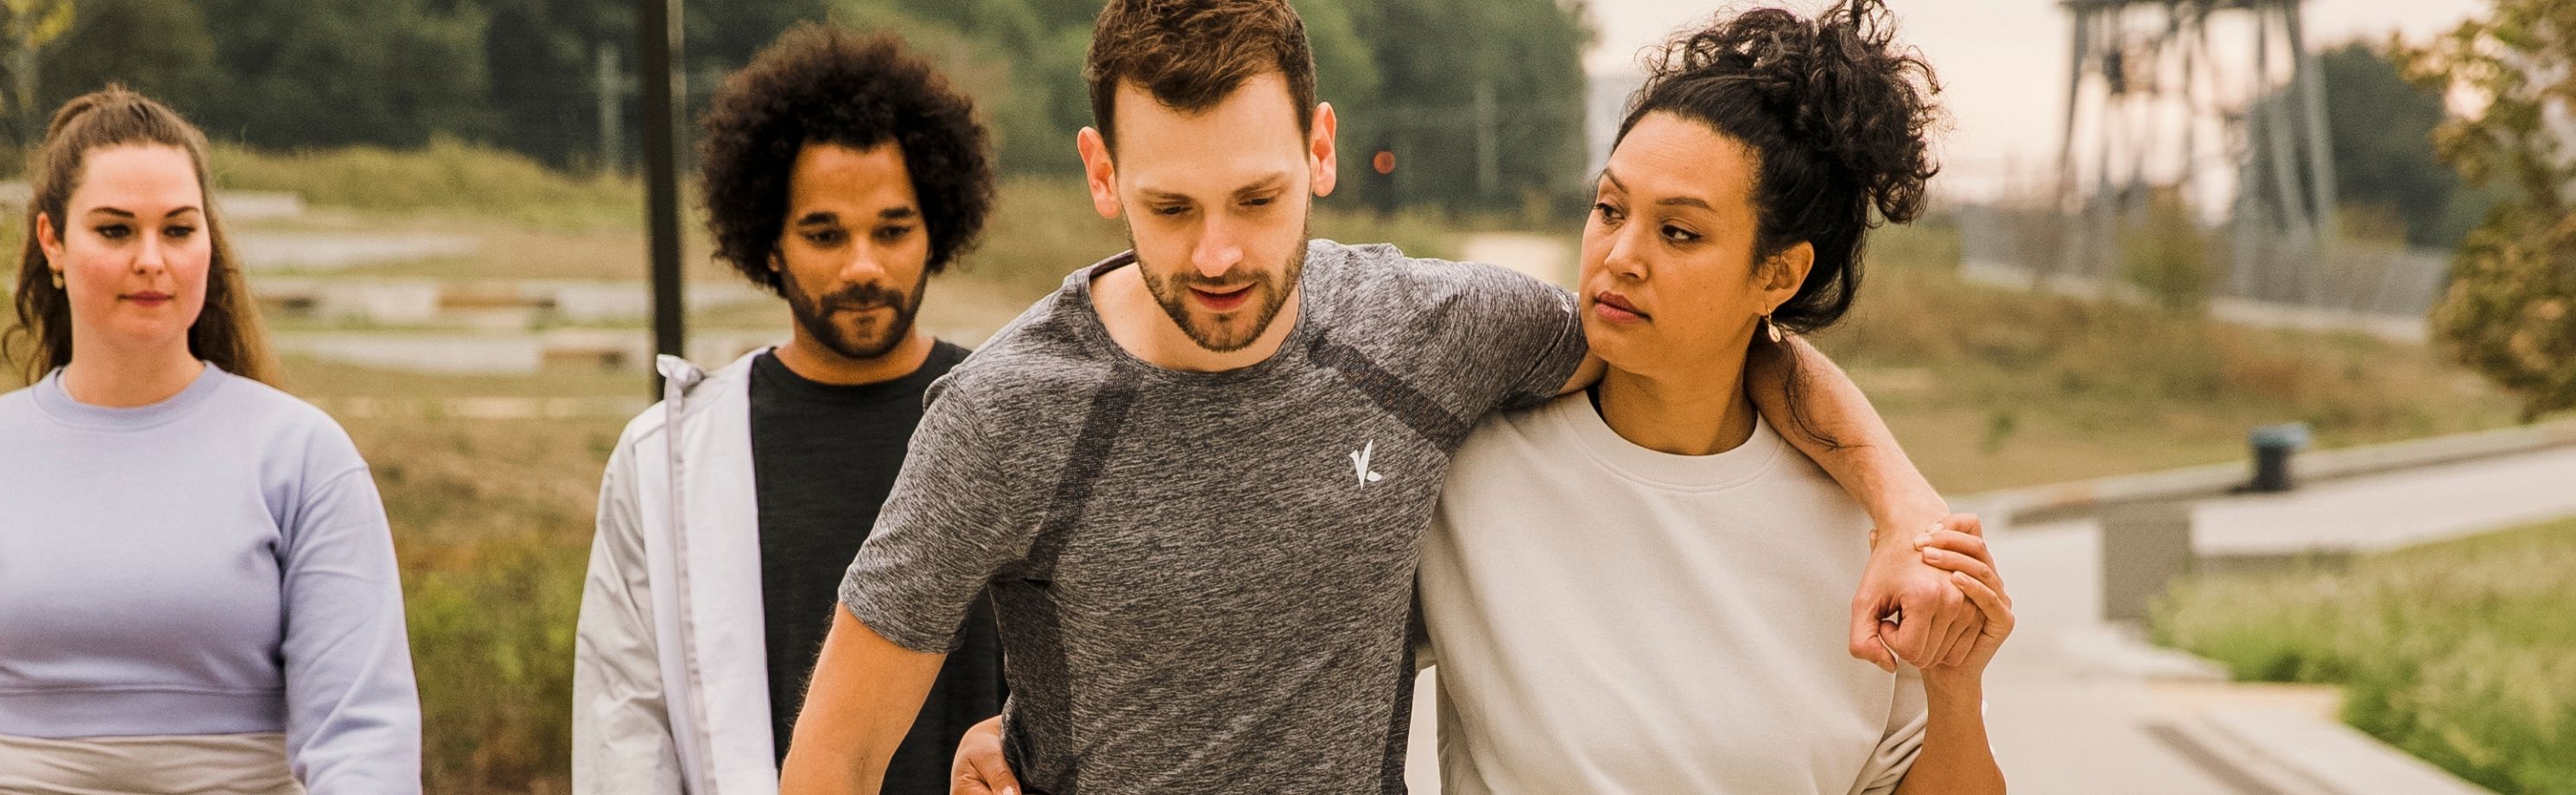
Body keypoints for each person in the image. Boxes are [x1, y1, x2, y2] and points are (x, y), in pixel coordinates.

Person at [777, 1, 1982, 792]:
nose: (1216, 257)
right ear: (1103, 174)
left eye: (1256, 200)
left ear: (1321, 153)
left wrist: (1901, 502)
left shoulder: (1435, 338)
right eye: (1171, 207)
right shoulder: (1006, 414)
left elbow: (1706, 339)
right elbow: (832, 765)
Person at [1412, 4, 2009, 792]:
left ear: (1778, 275)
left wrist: (1955, 689)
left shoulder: (1868, 534)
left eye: (1679, 233)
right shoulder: (1467, 467)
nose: (1621, 257)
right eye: (1610, 209)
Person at [0, 86, 420, 794]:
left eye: (178, 230)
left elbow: (363, 739)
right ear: (52, 241)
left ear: (209, 243)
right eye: (116, 230)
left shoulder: (304, 458)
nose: (152, 259)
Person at [570, 25, 1004, 795]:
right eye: (824, 233)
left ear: (937, 226)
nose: (862, 264)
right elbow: (625, 737)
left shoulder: (1013, 421)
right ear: (769, 243)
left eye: (893, 230)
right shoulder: (670, 460)